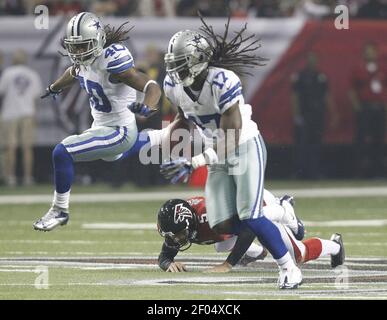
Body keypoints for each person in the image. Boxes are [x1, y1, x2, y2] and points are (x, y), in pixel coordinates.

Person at [158, 16, 303, 289]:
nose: (177, 71)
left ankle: (289, 268)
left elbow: (233, 135)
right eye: (174, 65)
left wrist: (196, 161)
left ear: (199, 60)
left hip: (244, 144)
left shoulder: (222, 81)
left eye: (182, 64)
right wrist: (165, 141)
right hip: (218, 150)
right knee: (221, 221)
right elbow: (183, 116)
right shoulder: (173, 86)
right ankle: (279, 212)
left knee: (250, 215)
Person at [33, 12, 161, 231]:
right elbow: (73, 72)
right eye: (75, 46)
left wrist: (149, 106)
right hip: (103, 128)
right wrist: (54, 87)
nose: (78, 52)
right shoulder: (82, 61)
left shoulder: (111, 60)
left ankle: (60, 210)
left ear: (98, 40)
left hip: (118, 130)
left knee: (61, 152)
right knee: (116, 155)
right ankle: (161, 138)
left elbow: (151, 85)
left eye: (84, 46)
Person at [157, 190, 345, 273]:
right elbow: (165, 254)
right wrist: (167, 263)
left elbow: (249, 228)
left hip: (259, 206)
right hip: (242, 214)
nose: (177, 239)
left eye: (179, 234)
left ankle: (334, 245)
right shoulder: (182, 223)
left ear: (190, 223)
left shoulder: (212, 216)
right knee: (222, 244)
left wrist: (228, 264)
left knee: (299, 253)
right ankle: (259, 251)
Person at [0, 49, 43, 187]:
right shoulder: (33, 75)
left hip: (9, 114)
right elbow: (36, 99)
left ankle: (10, 177)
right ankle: (27, 178)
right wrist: (35, 115)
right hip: (28, 113)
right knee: (27, 148)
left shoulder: (7, 73)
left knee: (10, 147)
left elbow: (2, 92)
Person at [291, 52, 337, 179]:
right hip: (305, 115)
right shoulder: (300, 76)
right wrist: (296, 115)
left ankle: (314, 172)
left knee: (316, 145)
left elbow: (326, 95)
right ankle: (301, 173)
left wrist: (333, 113)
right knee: (302, 145)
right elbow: (295, 97)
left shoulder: (321, 76)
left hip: (318, 115)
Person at [349, 43, 387, 178]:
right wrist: (357, 107)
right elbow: (352, 89)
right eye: (367, 51)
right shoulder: (358, 69)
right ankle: (359, 172)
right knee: (361, 140)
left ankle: (377, 172)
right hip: (365, 108)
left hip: (379, 108)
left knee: (378, 140)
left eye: (372, 51)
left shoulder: (382, 68)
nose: (370, 54)